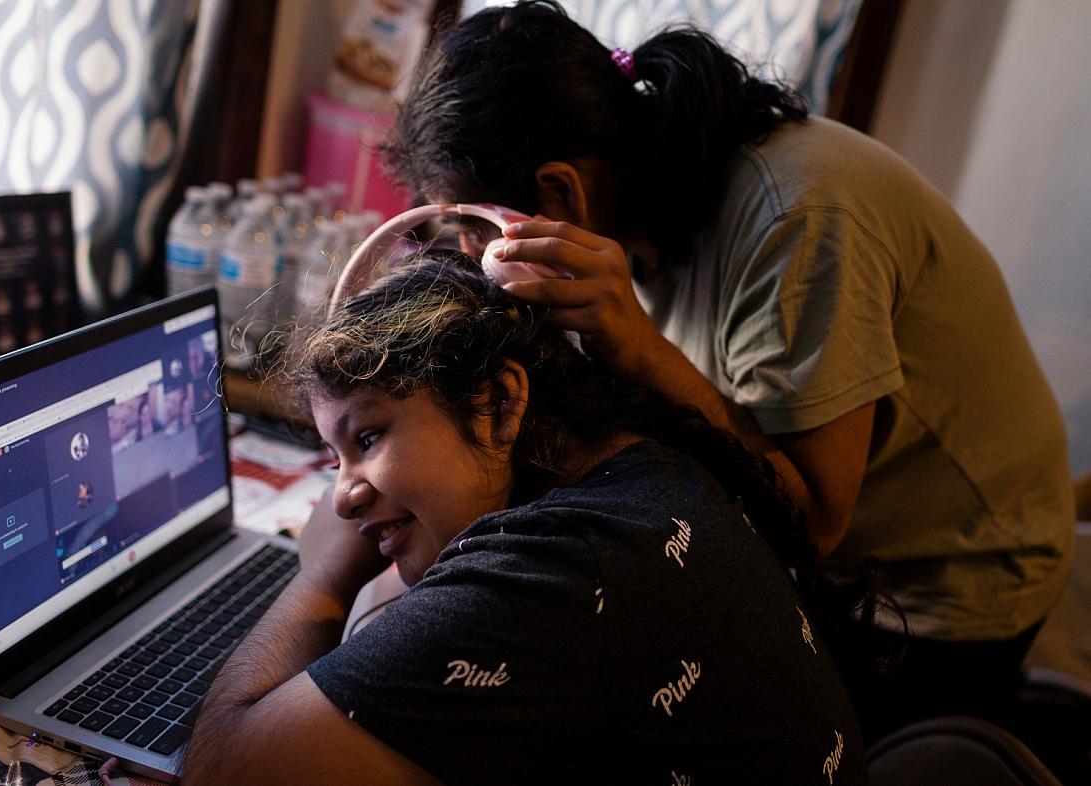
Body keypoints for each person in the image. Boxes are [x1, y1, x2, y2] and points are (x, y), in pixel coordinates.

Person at [378, 0, 1074, 738]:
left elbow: (814, 521)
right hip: (842, 559)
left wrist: (639, 348)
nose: (471, 254)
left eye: (472, 227)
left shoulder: (797, 216)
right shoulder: (637, 204)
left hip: (947, 580)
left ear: (558, 193)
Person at [183, 256, 875, 785]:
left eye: (368, 438)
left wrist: (326, 572)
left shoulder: (561, 569)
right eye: (333, 456)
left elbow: (224, 769)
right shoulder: (643, 469)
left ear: (499, 404)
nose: (342, 496)